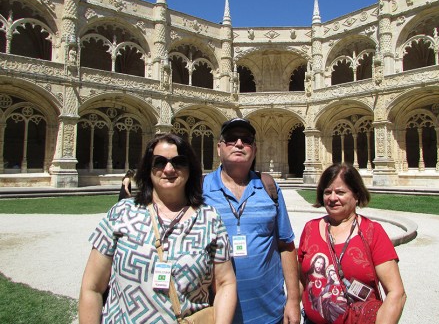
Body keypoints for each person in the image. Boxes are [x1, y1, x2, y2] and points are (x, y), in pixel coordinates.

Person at [79, 132, 237, 324]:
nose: (169, 169)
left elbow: (225, 283)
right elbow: (92, 287)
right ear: (148, 168)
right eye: (159, 162)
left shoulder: (209, 218)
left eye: (179, 162)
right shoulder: (121, 213)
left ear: (191, 168)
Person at [203, 118, 300, 324]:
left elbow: (286, 245)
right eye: (231, 139)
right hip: (216, 315)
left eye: (246, 140)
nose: (239, 144)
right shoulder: (199, 190)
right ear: (219, 148)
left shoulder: (269, 187)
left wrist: (293, 299)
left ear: (254, 150)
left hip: (270, 313)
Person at [298, 163, 406, 324]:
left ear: (356, 195)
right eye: (327, 192)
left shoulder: (372, 232)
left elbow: (396, 293)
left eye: (340, 192)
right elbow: (302, 278)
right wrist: (292, 304)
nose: (333, 198)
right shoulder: (310, 229)